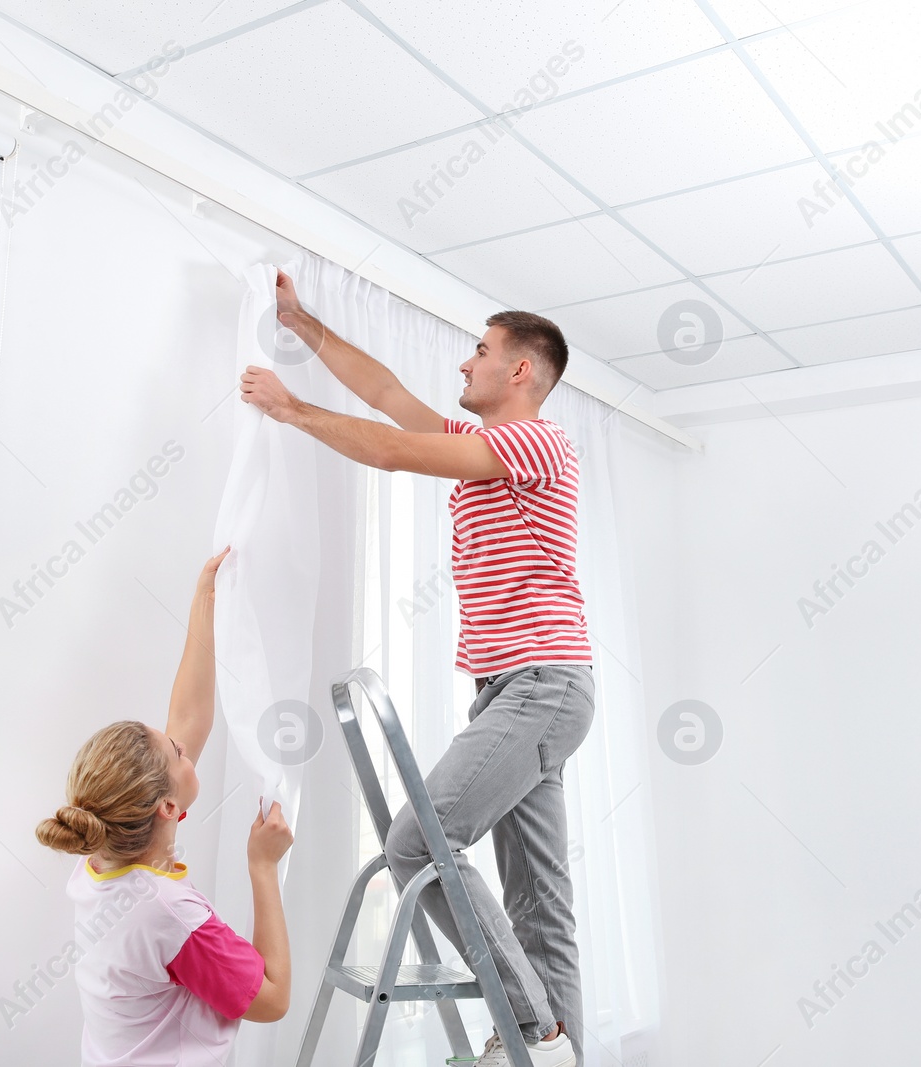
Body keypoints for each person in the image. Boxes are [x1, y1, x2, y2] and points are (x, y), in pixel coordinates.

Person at [240, 272, 594, 1067]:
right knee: (538, 896)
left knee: (417, 843)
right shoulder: (486, 450)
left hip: (542, 681)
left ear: (521, 372)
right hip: (524, 686)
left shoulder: (536, 441)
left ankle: (536, 1031)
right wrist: (305, 325)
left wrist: (291, 410)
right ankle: (554, 1045)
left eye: (480, 351)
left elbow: (396, 450)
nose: (465, 365)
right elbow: (391, 397)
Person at [36, 548, 295, 1067]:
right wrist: (262, 866)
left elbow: (187, 716)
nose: (183, 743)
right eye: (177, 752)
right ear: (167, 807)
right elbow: (272, 999)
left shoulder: (101, 864)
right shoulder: (166, 913)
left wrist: (205, 603)